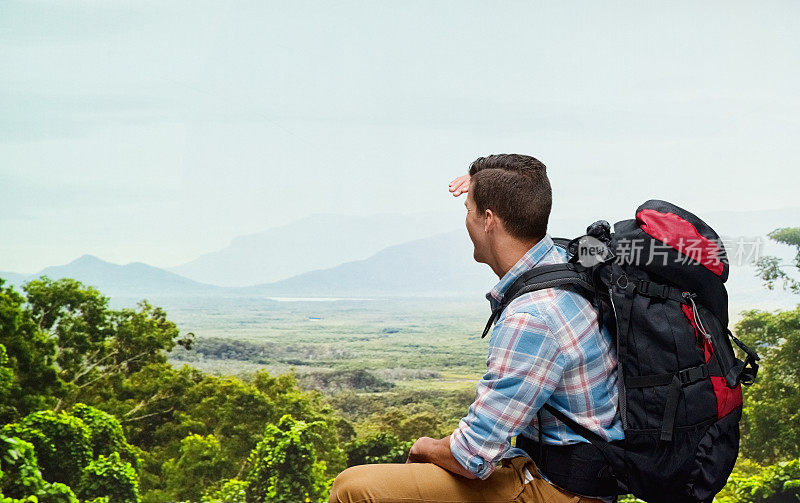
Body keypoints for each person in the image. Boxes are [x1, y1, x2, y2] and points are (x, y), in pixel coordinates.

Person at [328, 154, 623, 503]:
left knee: (354, 488)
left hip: (558, 491)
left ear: (488, 220)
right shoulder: (565, 260)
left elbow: (472, 456)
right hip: (576, 474)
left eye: (469, 210)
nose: (465, 221)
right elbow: (522, 189)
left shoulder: (532, 317)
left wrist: (424, 447)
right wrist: (483, 182)